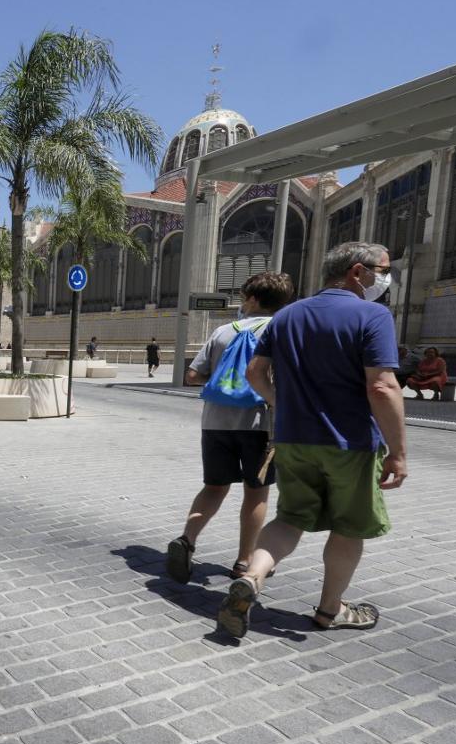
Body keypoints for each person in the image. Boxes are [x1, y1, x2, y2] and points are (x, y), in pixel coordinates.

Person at [218, 241, 407, 638]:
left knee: (289, 518)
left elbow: (256, 372)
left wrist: (280, 403)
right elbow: (384, 387)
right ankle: (329, 609)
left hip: (293, 438)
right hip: (349, 442)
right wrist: (399, 453)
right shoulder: (373, 315)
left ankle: (252, 578)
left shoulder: (286, 317)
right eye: (383, 269)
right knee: (349, 526)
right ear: (358, 272)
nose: (386, 278)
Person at [166, 272, 295, 585]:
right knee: (256, 493)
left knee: (214, 487)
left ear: (252, 299)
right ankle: (243, 561)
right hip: (260, 426)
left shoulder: (223, 331)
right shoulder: (282, 331)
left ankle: (187, 539)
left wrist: (225, 383)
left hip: (215, 423)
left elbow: (193, 375)